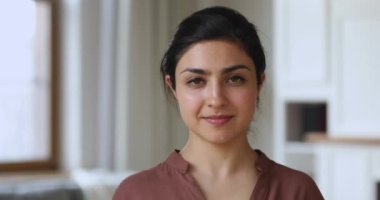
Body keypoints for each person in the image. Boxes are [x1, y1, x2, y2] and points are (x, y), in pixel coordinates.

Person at [113, 6, 324, 200]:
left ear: (259, 83)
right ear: (173, 87)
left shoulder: (298, 191)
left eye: (234, 79)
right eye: (196, 81)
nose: (216, 99)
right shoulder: (136, 194)